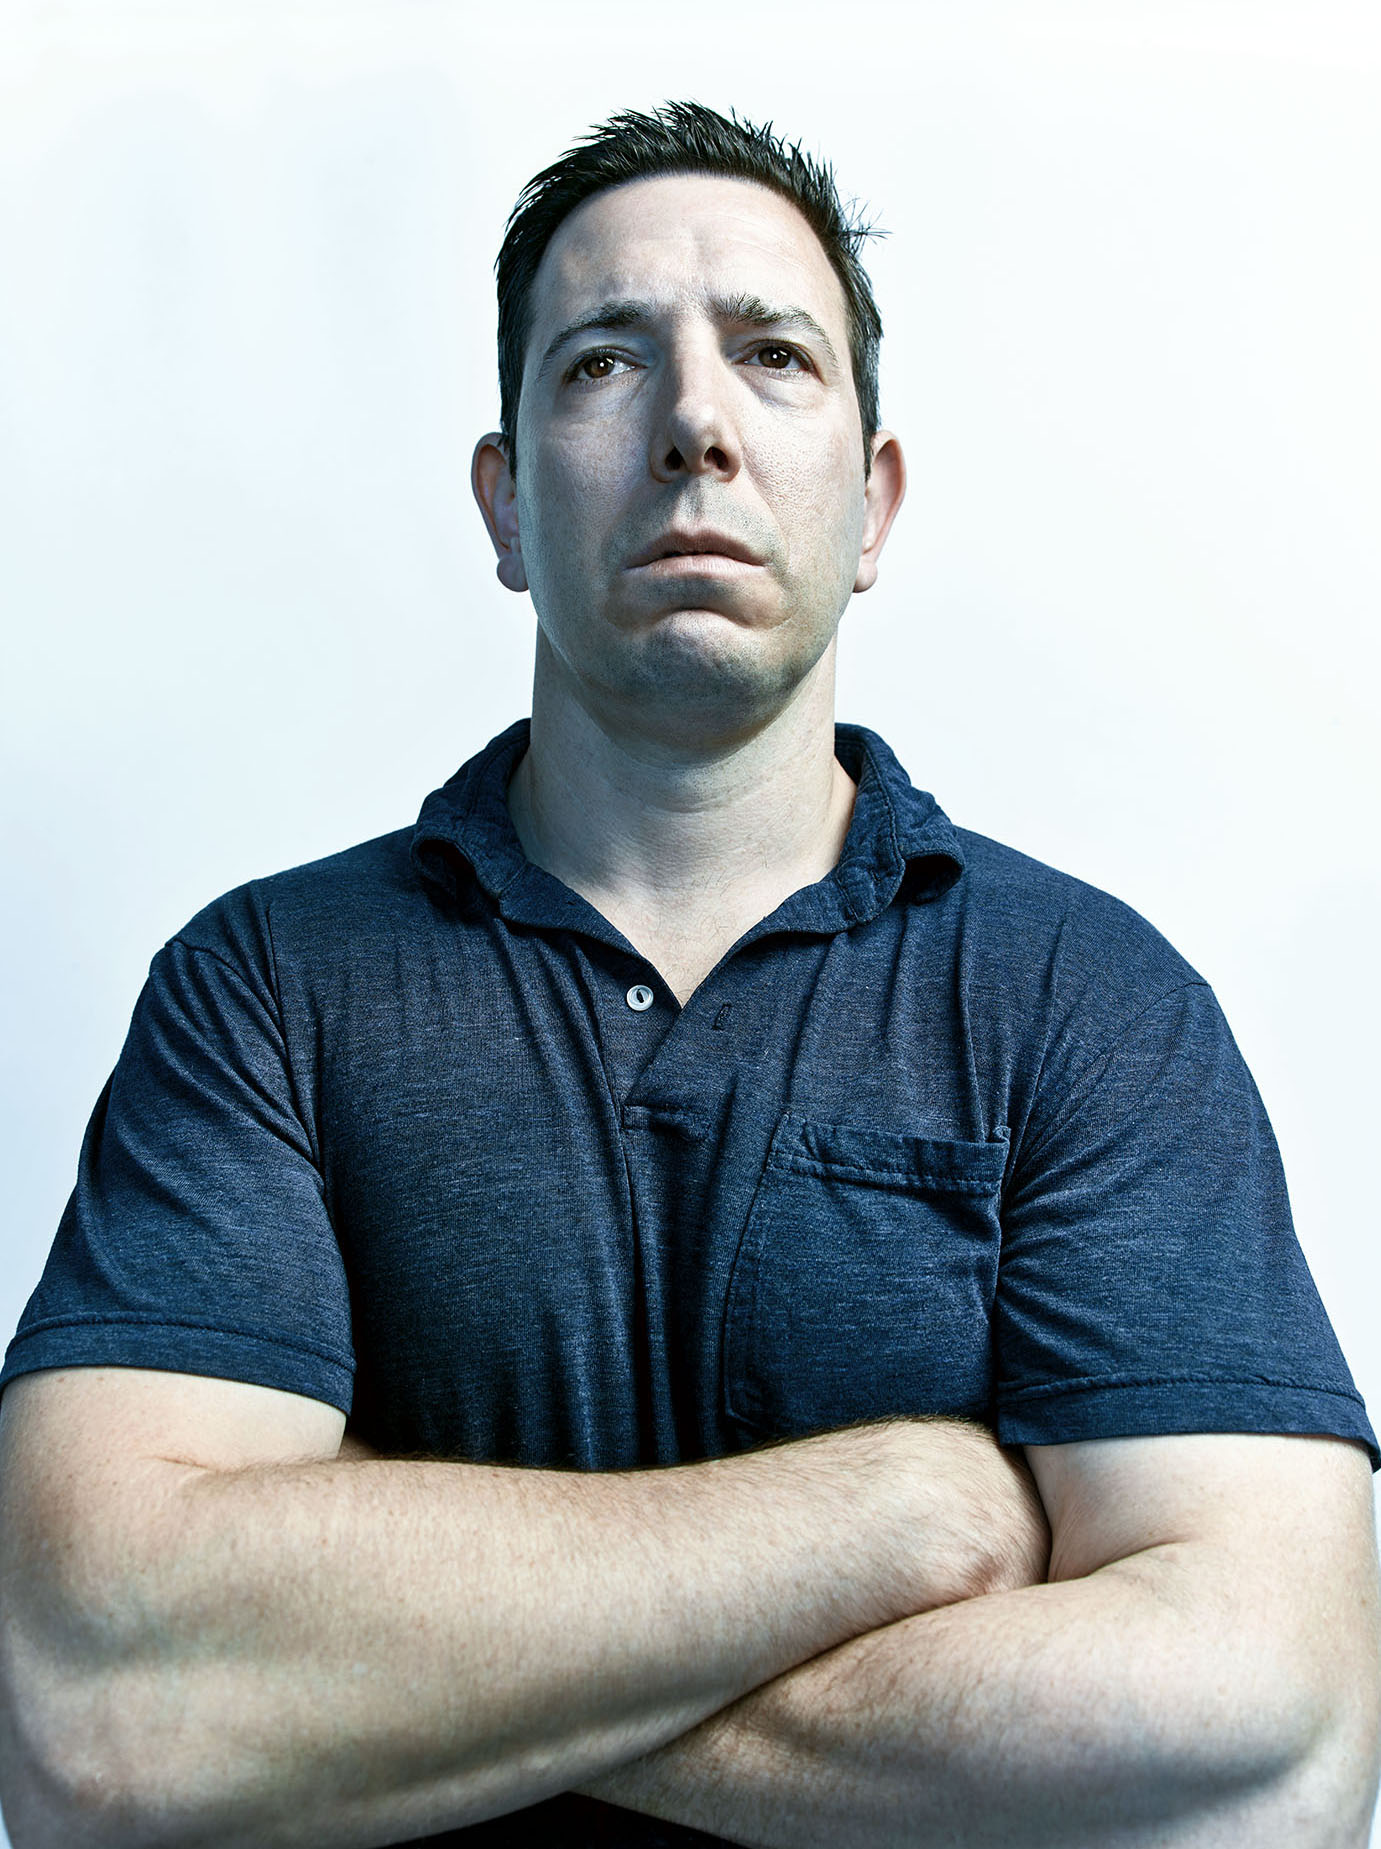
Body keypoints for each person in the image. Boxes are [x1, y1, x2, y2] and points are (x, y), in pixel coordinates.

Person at [0, 99, 1377, 1849]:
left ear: (870, 503)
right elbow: (95, 1705)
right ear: (506, 501)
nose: (694, 426)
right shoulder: (265, 990)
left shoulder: (1085, 1002)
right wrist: (901, 1507)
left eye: (773, 356)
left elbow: (1268, 1741)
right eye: (601, 363)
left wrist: (372, 1669)